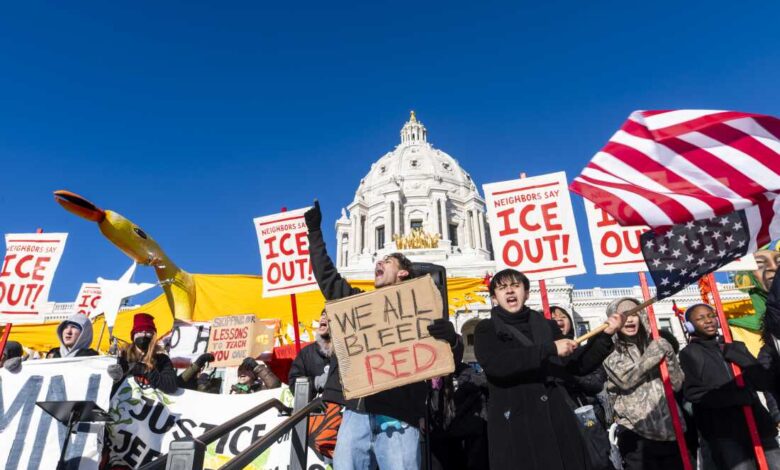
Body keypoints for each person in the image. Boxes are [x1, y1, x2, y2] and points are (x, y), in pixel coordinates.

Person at [304, 200, 463, 470]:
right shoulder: (360, 305)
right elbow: (328, 279)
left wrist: (452, 338)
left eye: (387, 260)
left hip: (400, 416)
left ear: (403, 272)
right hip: (359, 410)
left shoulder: (422, 310)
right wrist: (315, 233)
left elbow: (450, 361)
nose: (379, 261)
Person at [474, 269, 625, 470]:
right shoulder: (486, 328)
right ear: (494, 298)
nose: (510, 292)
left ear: (526, 293)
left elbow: (575, 365)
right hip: (517, 424)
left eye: (515, 286)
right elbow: (497, 365)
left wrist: (605, 336)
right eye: (502, 288)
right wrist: (549, 349)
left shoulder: (546, 326)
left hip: (558, 421)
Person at [680, 303, 780, 469]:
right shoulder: (690, 353)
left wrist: (744, 359)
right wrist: (734, 397)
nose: (708, 321)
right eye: (701, 318)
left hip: (758, 425)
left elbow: (763, 382)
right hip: (725, 433)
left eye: (711, 316)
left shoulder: (735, 345)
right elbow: (695, 394)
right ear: (690, 326)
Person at [603, 297, 685, 470]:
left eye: (634, 313)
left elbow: (677, 384)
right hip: (636, 432)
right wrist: (654, 354)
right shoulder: (611, 351)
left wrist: (669, 357)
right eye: (624, 315)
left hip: (670, 429)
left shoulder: (655, 344)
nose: (630, 319)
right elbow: (626, 379)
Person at [552, 306, 612, 469]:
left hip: (587, 411)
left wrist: (568, 378)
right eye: (552, 318)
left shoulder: (584, 350)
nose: (558, 320)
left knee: (598, 457)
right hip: (560, 416)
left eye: (562, 316)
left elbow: (597, 381)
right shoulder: (544, 356)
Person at [107, 313, 178, 394]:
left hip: (148, 404)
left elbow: (171, 386)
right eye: (140, 331)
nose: (144, 335)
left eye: (148, 332)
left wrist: (145, 370)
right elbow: (108, 382)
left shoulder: (162, 359)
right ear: (133, 336)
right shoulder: (122, 355)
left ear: (153, 336)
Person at [288, 310, 332, 394]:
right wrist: (317, 382)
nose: (323, 317)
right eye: (322, 314)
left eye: (328, 315)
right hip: (318, 405)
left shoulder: (345, 351)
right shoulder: (306, 353)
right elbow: (294, 385)